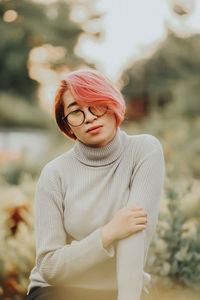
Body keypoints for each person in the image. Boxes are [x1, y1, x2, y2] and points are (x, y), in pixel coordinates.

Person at [27, 68, 165, 300]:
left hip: (122, 288)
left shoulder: (143, 151)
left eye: (95, 105)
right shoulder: (54, 174)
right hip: (59, 291)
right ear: (68, 125)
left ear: (112, 104)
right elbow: (49, 266)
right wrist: (107, 233)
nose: (89, 117)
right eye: (75, 112)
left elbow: (134, 234)